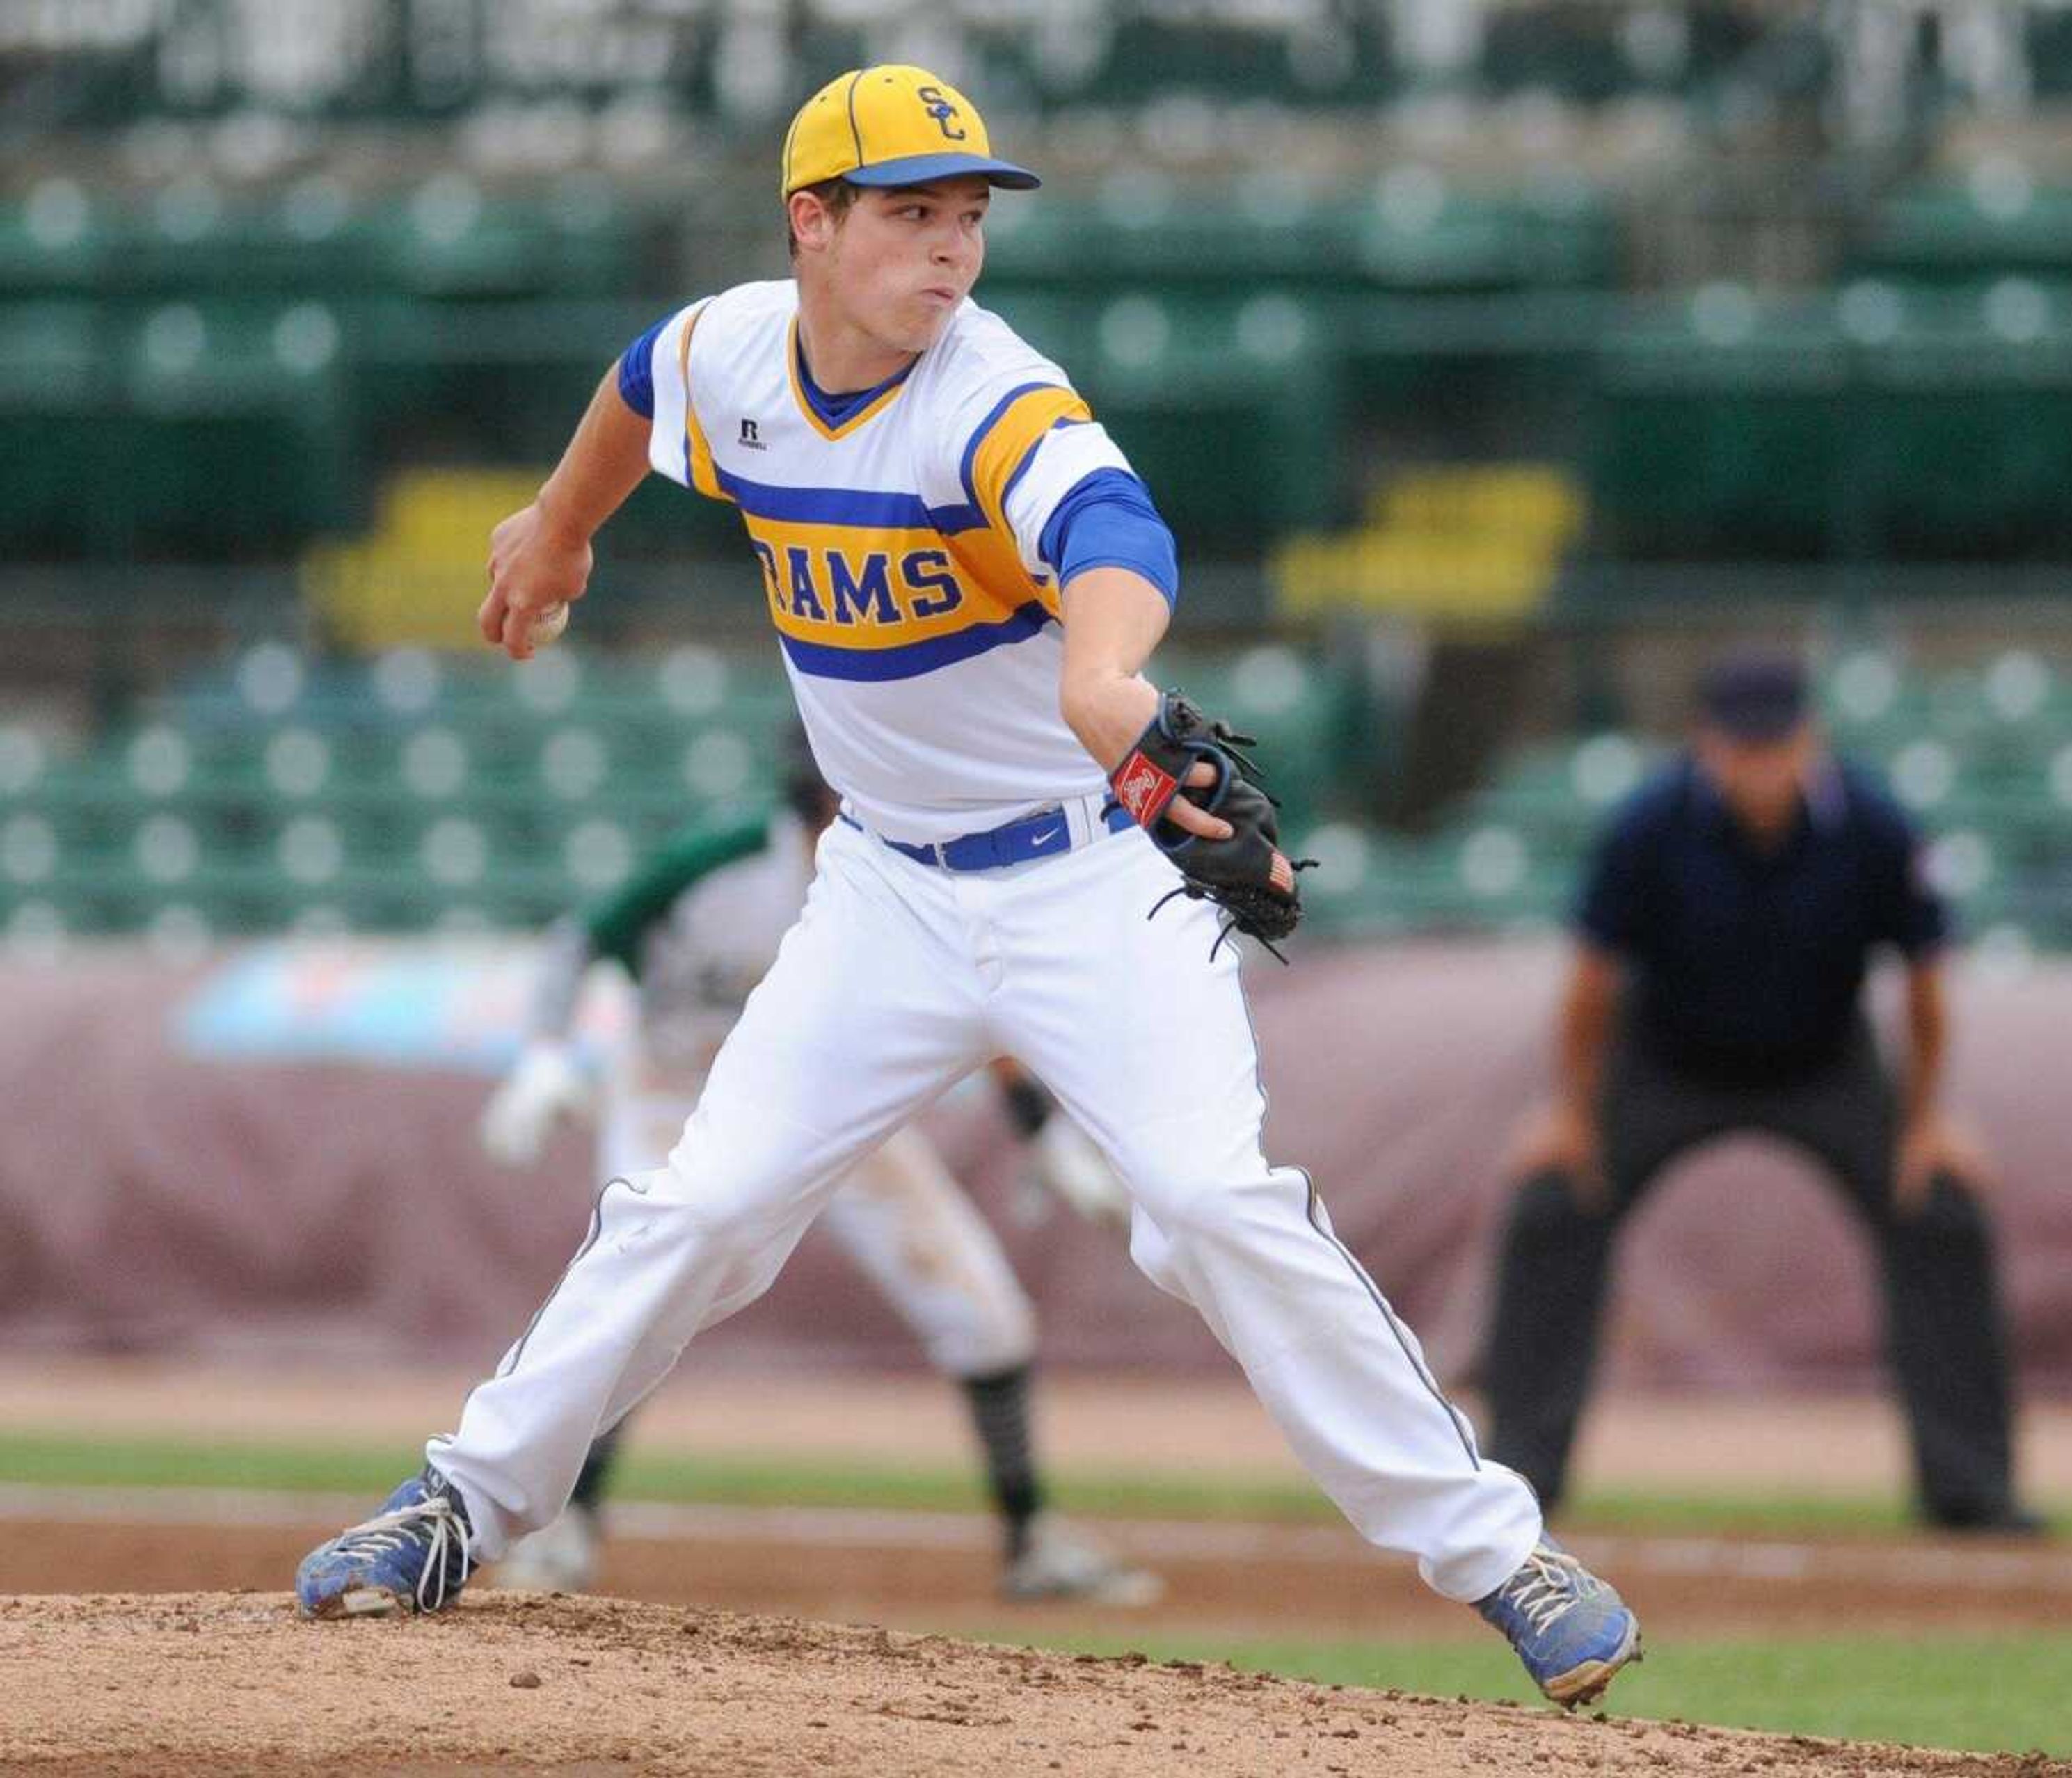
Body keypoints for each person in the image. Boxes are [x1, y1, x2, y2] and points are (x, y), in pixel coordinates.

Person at [293, 64, 1639, 1708]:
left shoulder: (989, 397)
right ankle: (458, 1506)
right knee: (700, 1204)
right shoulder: (735, 354)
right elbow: (643, 385)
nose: (950, 253)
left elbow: (1113, 529)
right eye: (911, 216)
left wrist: (1103, 675)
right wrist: (563, 524)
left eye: (969, 219)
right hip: (880, 896)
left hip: (1087, 892)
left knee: (1212, 1204)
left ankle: (1505, 1558)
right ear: (812, 223)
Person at [475, 735, 1153, 1605]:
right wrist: (543, 1053)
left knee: (984, 1312)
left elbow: (979, 1003)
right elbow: (581, 942)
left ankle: (1032, 1540)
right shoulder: (726, 865)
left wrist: (1041, 1131)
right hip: (676, 1090)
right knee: (639, 1289)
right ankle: (566, 1526)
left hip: (828, 1098)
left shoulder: (916, 878)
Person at [1477, 650, 2033, 1534]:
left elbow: (1925, 982)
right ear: (1708, 745)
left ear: (1809, 741)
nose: (1762, 767)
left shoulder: (1875, 825)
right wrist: (1573, 1116)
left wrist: (1927, 1123)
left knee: (1941, 1209)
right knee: (1553, 1202)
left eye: (1778, 746)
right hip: (1667, 1055)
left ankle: (1972, 1490)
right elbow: (1590, 985)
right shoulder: (1650, 825)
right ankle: (1518, 1480)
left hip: (1825, 1058)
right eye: (1743, 748)